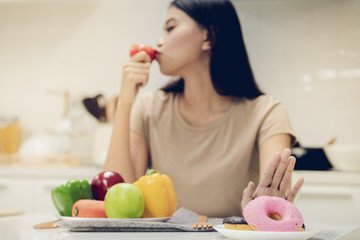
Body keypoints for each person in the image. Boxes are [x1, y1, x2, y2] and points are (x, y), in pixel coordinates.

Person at [104, 0, 304, 218]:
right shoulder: (148, 108)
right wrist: (125, 102)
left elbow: (273, 210)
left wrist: (267, 208)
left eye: (171, 28)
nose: (159, 42)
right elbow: (118, 202)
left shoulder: (267, 114)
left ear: (208, 37)